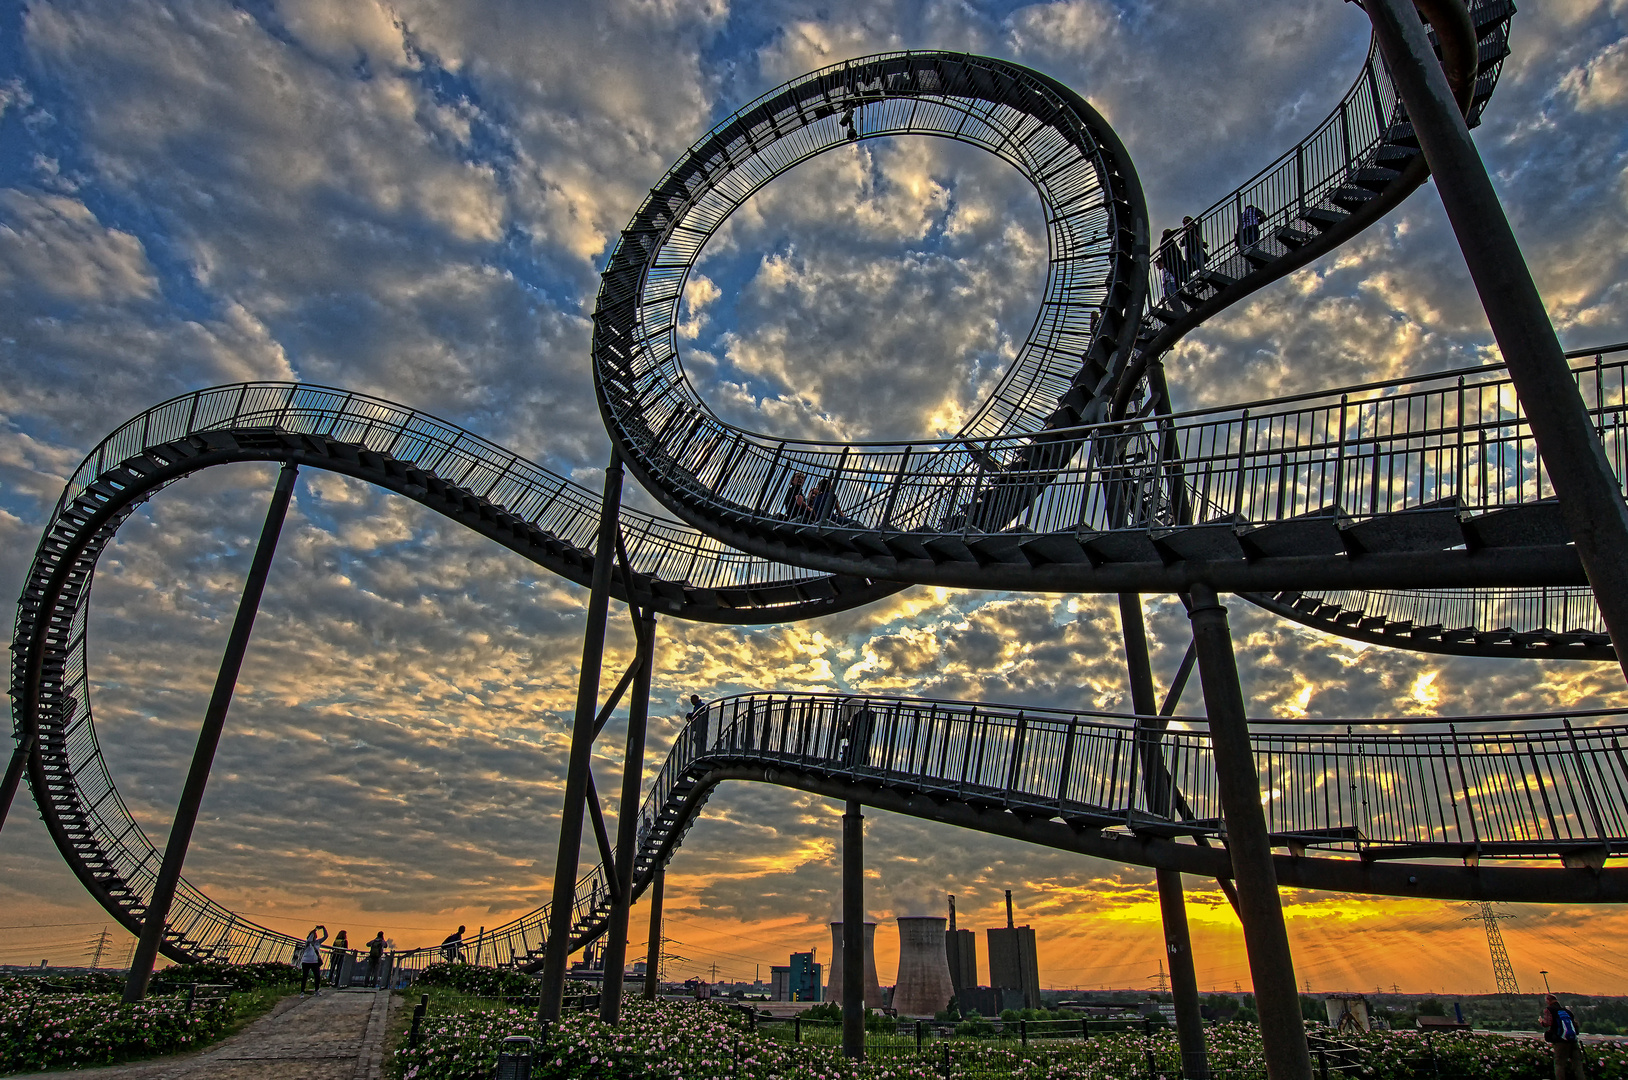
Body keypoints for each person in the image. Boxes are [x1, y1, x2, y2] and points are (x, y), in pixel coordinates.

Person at [1542, 994, 1586, 1079]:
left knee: (1559, 1064)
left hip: (1561, 1041)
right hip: (1573, 1041)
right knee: (1578, 1065)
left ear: (1548, 1000)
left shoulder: (1549, 1009)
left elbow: (1547, 1023)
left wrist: (1541, 1022)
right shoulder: (1567, 1011)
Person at [299, 925, 327, 995]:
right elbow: (309, 940)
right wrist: (313, 932)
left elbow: (326, 936)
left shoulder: (317, 942)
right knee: (305, 976)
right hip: (306, 961)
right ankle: (302, 991)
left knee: (317, 976)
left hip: (315, 962)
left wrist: (323, 928)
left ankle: (316, 990)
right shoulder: (307, 943)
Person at [1155, 228, 1183, 297]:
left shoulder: (1168, 242)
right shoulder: (1165, 240)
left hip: (1175, 263)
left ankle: (1182, 290)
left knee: (1180, 276)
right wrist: (1181, 229)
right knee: (1180, 276)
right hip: (1173, 263)